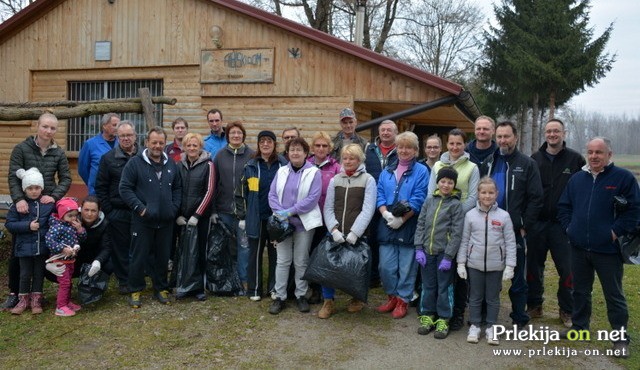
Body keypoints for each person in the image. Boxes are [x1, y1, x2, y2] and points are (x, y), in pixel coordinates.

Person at [558, 137, 639, 358]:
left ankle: (620, 338)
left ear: (609, 155)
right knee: (580, 291)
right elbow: (564, 207)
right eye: (591, 152)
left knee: (614, 295)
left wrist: (613, 232)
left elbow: (634, 211)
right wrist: (569, 229)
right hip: (579, 247)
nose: (594, 156)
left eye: (599, 152)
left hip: (608, 250)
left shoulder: (623, 178)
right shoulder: (577, 179)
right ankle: (580, 328)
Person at [3, 112, 72, 311]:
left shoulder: (58, 152)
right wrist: (18, 200)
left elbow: (66, 178)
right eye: (45, 127)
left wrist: (55, 196)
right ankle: (15, 293)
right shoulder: (21, 149)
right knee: (19, 251)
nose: (48, 131)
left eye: (52, 128)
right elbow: (13, 177)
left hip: (46, 206)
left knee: (43, 249)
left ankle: (38, 294)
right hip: (24, 206)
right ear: (37, 126)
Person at [479, 121, 543, 327]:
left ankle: (519, 317)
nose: (502, 141)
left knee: (517, 278)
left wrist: (524, 225)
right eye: (499, 137)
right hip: (489, 228)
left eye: (506, 136)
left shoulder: (527, 164)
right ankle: (485, 314)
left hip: (515, 231)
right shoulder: (490, 161)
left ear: (515, 137)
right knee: (488, 273)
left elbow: (536, 198)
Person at [527, 119, 585, 328]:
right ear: (545, 133)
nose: (552, 135)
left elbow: (584, 191)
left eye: (556, 131)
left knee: (568, 269)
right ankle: (534, 305)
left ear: (563, 133)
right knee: (533, 266)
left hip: (563, 225)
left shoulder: (576, 160)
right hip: (538, 224)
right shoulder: (534, 159)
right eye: (549, 131)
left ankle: (566, 310)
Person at [119, 127, 182, 308]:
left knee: (163, 257)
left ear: (165, 144)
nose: (157, 146)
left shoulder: (171, 164)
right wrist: (140, 209)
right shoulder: (135, 163)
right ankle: (135, 290)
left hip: (165, 221)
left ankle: (160, 288)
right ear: (147, 142)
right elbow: (124, 188)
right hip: (143, 220)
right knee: (139, 256)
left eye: (161, 143)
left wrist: (173, 208)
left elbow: (177, 188)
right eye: (154, 142)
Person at [426, 128, 479, 330]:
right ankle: (434, 312)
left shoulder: (472, 167)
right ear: (446, 144)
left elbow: (473, 197)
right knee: (439, 269)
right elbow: (431, 194)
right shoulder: (438, 165)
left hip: (461, 222)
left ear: (464, 145)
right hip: (437, 226)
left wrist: (453, 214)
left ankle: (456, 313)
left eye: (459, 143)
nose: (455, 147)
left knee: (459, 269)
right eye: (451, 143)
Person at [318, 143, 377, 318]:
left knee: (355, 268)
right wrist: (333, 229)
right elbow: (328, 207)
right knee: (327, 267)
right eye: (345, 158)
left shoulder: (368, 180)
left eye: (352, 158)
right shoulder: (336, 180)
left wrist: (355, 233)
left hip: (356, 235)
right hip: (335, 232)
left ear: (359, 160)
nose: (348, 161)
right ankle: (328, 302)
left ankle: (356, 299)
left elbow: (368, 209)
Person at [457, 177, 517, 345]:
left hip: (496, 266)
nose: (487, 196)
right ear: (478, 194)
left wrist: (510, 265)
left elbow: (510, 242)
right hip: (474, 265)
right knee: (475, 297)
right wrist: (461, 263)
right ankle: (475, 325)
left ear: (496, 194)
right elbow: (464, 240)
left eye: (491, 193)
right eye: (483, 192)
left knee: (492, 298)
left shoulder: (504, 216)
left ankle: (491, 327)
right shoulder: (470, 216)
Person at [376, 131, 428, 319]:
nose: (404, 150)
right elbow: (380, 193)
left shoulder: (421, 171)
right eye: (400, 146)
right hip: (387, 220)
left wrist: (402, 219)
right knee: (385, 267)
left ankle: (403, 300)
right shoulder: (387, 171)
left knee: (406, 266)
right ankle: (391, 296)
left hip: (409, 221)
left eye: (408, 147)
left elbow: (419, 197)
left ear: (415, 150)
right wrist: (386, 214)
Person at [268, 137, 322, 315]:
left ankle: (301, 295)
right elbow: (272, 195)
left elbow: (312, 199)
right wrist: (280, 213)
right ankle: (279, 297)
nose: (295, 153)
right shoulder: (282, 171)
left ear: (306, 153)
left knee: (301, 261)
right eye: (292, 150)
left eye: (299, 150)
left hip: (303, 224)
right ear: (288, 153)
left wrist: (290, 211)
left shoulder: (314, 172)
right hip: (283, 224)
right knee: (282, 261)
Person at [236, 130, 288, 301]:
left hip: (276, 218)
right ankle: (255, 289)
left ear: (274, 144)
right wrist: (243, 216)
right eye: (262, 141)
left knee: (276, 255)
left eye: (269, 141)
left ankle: (274, 288)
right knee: (255, 254)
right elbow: (240, 193)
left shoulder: (283, 165)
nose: (265, 144)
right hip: (256, 217)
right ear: (258, 144)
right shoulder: (251, 166)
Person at [413, 167, 463, 338]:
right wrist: (419, 248)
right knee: (428, 285)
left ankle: (443, 318)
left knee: (444, 287)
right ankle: (427, 315)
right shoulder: (429, 201)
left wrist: (449, 256)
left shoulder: (456, 204)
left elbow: (457, 233)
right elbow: (420, 224)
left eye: (450, 182)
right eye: (443, 181)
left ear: (454, 185)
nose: (446, 185)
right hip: (427, 251)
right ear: (437, 182)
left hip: (444, 254)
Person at [95, 120, 139, 294]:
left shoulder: (144, 155)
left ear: (135, 136)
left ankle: (137, 277)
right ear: (117, 138)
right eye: (122, 136)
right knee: (120, 248)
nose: (126, 139)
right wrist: (109, 211)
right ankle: (124, 280)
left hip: (139, 210)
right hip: (117, 211)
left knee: (138, 246)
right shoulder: (108, 158)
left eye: (129, 135)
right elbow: (101, 187)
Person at [211, 121, 255, 292]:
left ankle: (244, 279)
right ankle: (229, 278)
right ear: (228, 136)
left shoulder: (251, 155)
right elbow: (214, 184)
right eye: (232, 133)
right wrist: (213, 210)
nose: (236, 136)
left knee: (244, 247)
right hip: (224, 210)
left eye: (239, 133)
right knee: (227, 246)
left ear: (243, 135)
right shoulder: (220, 156)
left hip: (244, 211)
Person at [5, 168, 55, 315]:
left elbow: (53, 221)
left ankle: (36, 299)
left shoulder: (47, 204)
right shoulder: (18, 206)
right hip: (23, 248)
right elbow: (9, 224)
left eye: (37, 188)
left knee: (39, 273)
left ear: (42, 188)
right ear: (25, 189)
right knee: (25, 274)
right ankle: (23, 299)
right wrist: (28, 226)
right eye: (30, 188)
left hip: (41, 247)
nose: (34, 191)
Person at [175, 133, 214, 301]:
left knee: (198, 252)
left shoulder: (208, 165)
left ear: (200, 147)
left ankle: (198, 288)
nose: (192, 148)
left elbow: (209, 191)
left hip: (200, 218)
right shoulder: (179, 165)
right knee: (183, 252)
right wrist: (177, 215)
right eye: (189, 145)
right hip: (182, 218)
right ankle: (183, 285)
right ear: (184, 147)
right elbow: (175, 190)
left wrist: (197, 215)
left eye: (195, 145)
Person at [306, 131, 341, 302]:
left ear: (329, 148)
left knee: (325, 255)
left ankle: (325, 289)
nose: (321, 148)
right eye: (318, 145)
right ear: (312, 147)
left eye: (324, 146)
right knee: (310, 252)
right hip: (308, 217)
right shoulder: (306, 164)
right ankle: (312, 288)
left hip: (328, 218)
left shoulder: (335, 167)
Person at [364, 120, 398, 287]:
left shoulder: (400, 150)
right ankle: (372, 276)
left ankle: (389, 275)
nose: (385, 133)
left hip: (391, 203)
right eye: (383, 130)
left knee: (387, 238)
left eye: (389, 130)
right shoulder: (369, 149)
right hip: (370, 200)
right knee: (371, 239)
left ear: (395, 133)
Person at [45, 197, 87, 317]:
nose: (73, 218)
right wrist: (62, 249)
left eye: (75, 215)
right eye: (70, 216)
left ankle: (67, 302)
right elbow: (49, 241)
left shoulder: (72, 226)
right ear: (62, 214)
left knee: (68, 282)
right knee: (64, 283)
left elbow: (82, 239)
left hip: (70, 260)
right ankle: (61, 306)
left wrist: (80, 229)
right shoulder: (57, 227)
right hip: (60, 260)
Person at [78, 113, 120, 195]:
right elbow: (83, 169)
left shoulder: (121, 143)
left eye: (119, 125)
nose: (117, 128)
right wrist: (92, 184)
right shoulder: (90, 144)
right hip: (96, 192)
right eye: (114, 125)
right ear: (104, 126)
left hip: (117, 192)